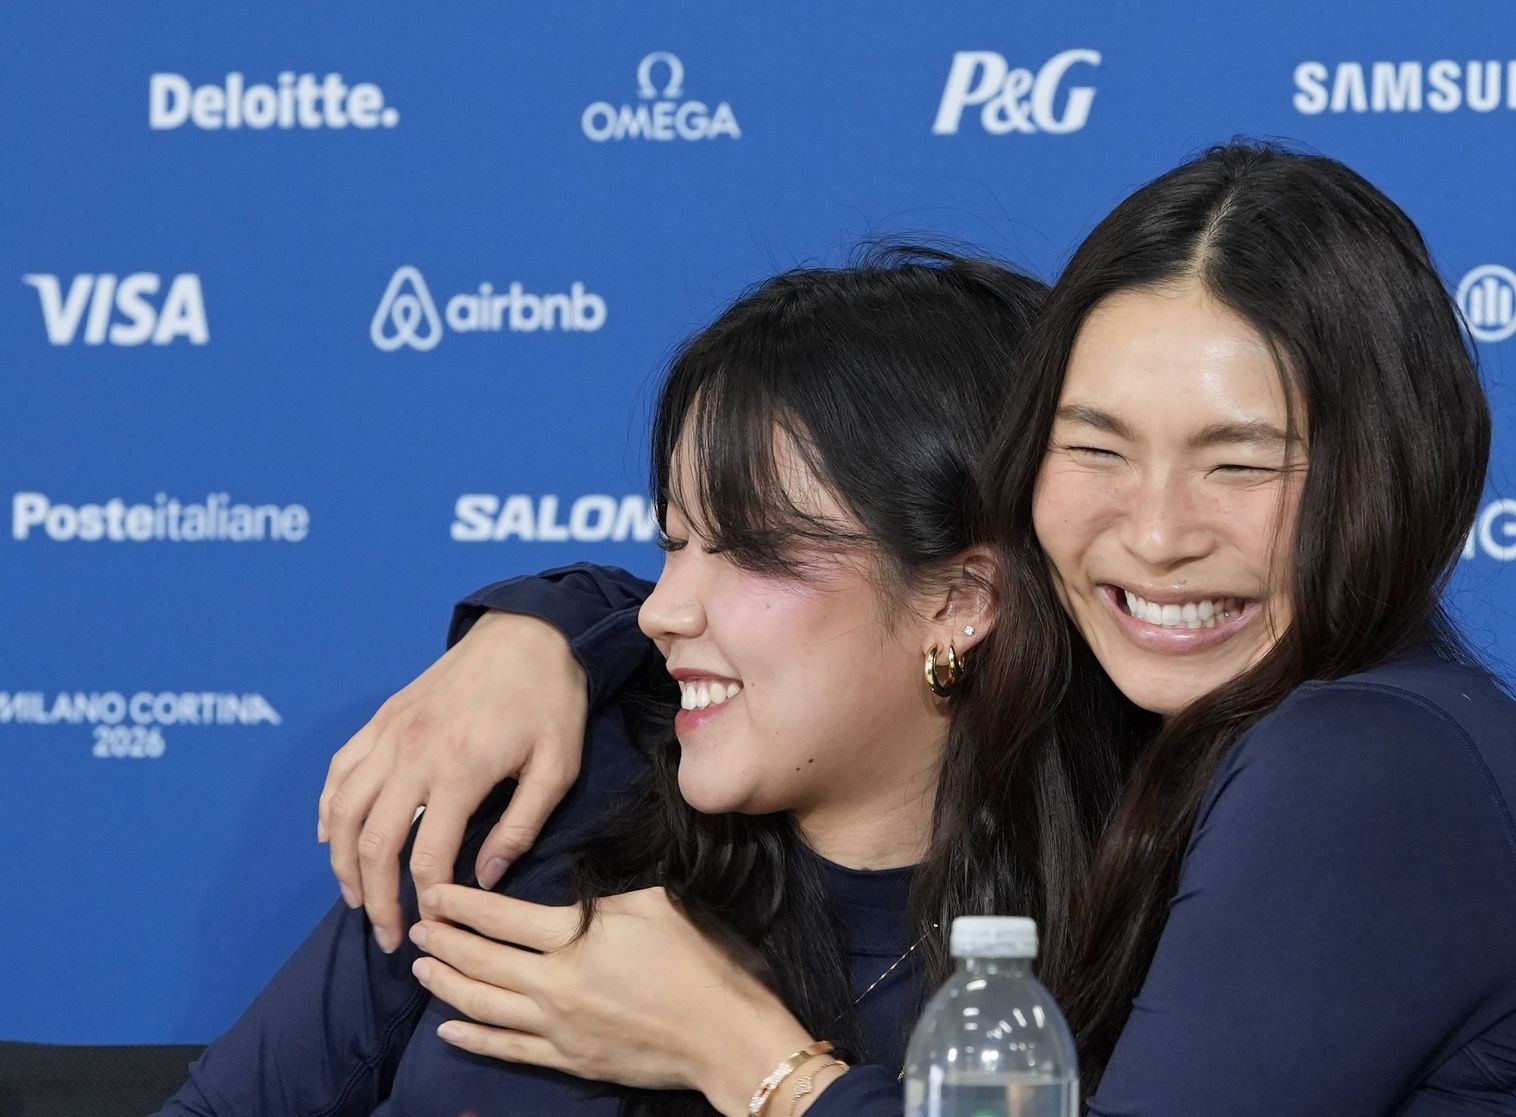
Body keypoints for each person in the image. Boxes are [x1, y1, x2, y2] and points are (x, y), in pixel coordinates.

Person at [321, 142, 1516, 1115]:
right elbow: (823, 584)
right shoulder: (1211, 719)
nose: (1151, 532)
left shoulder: (1362, 758)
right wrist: (545, 635)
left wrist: (739, 1050)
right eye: (1096, 447)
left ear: (1396, 469)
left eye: (1239, 461)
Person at [156, 249, 1091, 1115]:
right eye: (675, 543)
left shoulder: (1124, 916)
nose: (665, 609)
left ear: (963, 599)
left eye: (750, 549)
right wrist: (543, 628)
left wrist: (737, 1048)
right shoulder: (548, 802)